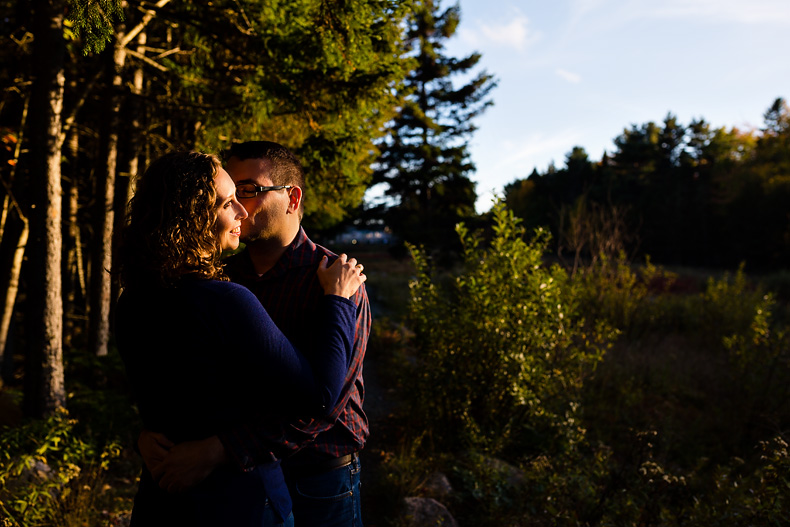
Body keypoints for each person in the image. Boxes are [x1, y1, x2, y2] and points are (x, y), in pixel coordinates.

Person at [115, 151, 366, 527]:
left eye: (248, 191)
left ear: (292, 198)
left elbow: (324, 407)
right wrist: (149, 433)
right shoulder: (222, 286)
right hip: (232, 492)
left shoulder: (335, 277)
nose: (242, 210)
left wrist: (219, 449)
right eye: (232, 196)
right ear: (195, 212)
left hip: (319, 472)